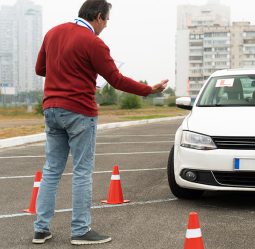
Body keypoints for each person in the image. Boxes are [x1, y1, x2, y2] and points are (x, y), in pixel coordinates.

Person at [33, 0, 167, 245]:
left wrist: (64, 72)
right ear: (97, 16)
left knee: (52, 170)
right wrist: (148, 89)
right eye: (106, 21)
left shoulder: (52, 33)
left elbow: (40, 69)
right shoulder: (93, 42)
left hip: (51, 108)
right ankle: (80, 231)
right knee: (82, 171)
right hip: (79, 111)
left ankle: (41, 230)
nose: (106, 26)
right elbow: (115, 79)